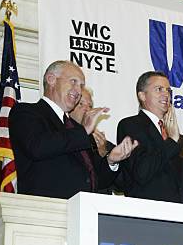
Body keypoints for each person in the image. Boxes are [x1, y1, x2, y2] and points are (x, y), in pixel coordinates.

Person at [9, 60, 136, 199]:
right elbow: (38, 147)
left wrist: (111, 160)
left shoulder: (76, 130)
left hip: (82, 212)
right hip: (45, 208)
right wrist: (84, 130)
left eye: (81, 85)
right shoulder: (26, 112)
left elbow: (95, 181)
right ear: (51, 79)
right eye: (73, 81)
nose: (78, 91)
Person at [116, 71, 183, 203]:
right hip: (147, 212)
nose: (166, 95)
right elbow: (142, 172)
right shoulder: (131, 125)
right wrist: (171, 141)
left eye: (168, 90)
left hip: (178, 214)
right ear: (142, 95)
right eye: (159, 89)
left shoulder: (177, 137)